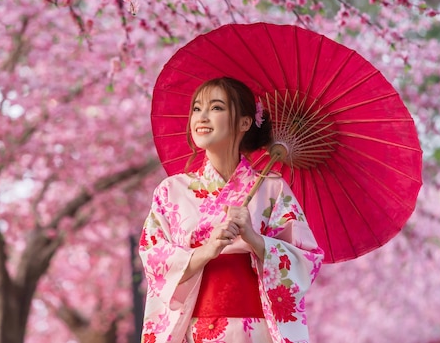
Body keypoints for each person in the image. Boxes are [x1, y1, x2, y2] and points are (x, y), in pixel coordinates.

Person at [139, 77, 324, 343]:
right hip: (195, 326)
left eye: (215, 108)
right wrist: (206, 251)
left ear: (244, 123)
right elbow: (153, 258)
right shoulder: (171, 191)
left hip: (257, 329)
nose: (201, 117)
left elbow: (307, 259)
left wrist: (253, 237)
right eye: (196, 109)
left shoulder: (272, 189)